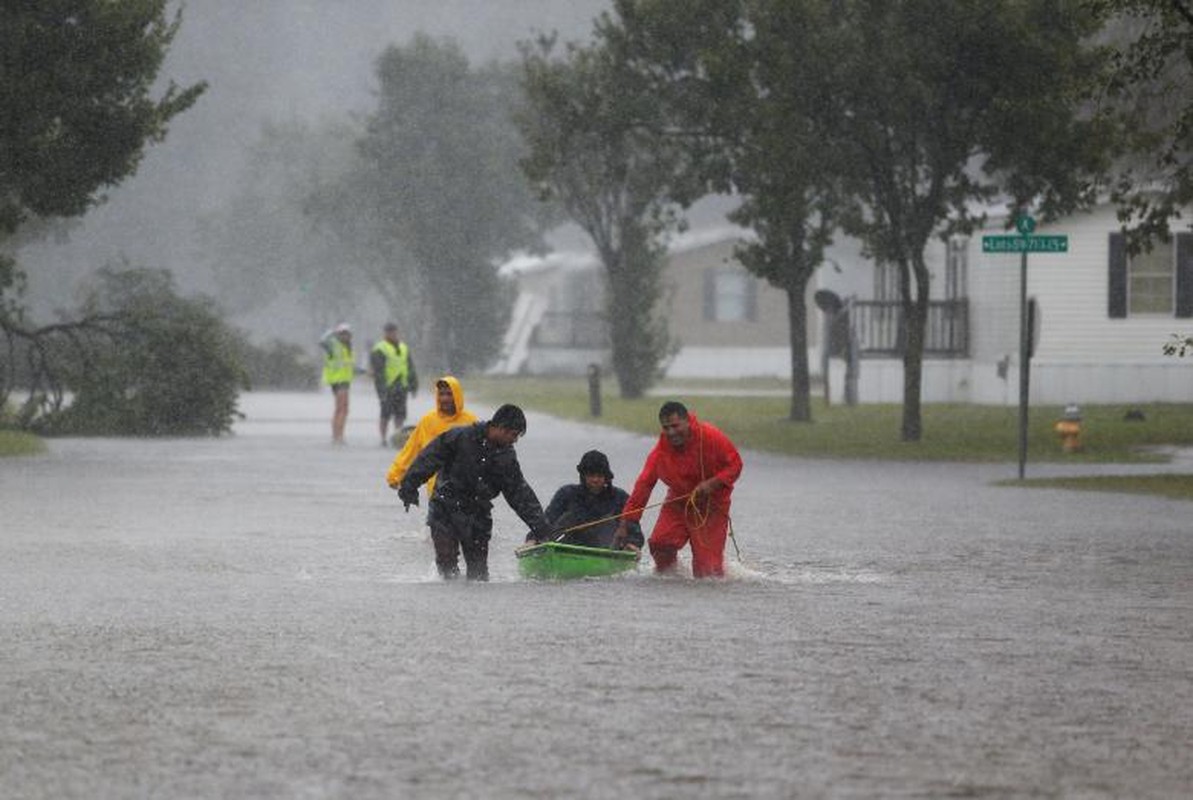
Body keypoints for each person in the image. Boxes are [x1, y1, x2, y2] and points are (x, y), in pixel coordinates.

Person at [397, 404, 551, 580]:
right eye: (513, 435)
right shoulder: (459, 437)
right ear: (500, 428)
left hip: (478, 514)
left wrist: (542, 529)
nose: (514, 440)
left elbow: (520, 494)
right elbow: (428, 459)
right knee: (446, 567)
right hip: (444, 508)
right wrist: (409, 487)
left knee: (479, 576)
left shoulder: (506, 457)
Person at [612, 401, 742, 578]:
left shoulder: (711, 436)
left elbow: (735, 465)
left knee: (707, 574)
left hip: (712, 506)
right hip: (678, 502)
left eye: (675, 426)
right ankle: (673, 579)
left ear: (687, 421)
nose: (671, 433)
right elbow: (643, 486)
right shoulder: (660, 452)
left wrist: (712, 483)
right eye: (666, 428)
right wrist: (626, 522)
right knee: (659, 543)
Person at [386, 376, 476, 500]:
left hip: (464, 488)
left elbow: (482, 454)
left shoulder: (470, 422)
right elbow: (412, 449)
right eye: (441, 394)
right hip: (436, 489)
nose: (444, 399)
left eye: (449, 394)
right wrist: (396, 475)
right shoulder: (428, 421)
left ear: (457, 395)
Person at [541, 450, 643, 550]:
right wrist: (532, 539)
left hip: (606, 550)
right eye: (591, 475)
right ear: (583, 476)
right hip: (568, 546)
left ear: (606, 477)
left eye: (599, 476)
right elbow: (547, 520)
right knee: (568, 517)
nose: (595, 480)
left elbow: (634, 528)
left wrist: (634, 543)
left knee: (613, 522)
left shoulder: (620, 497)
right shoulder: (566, 494)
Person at [370, 322, 418, 447]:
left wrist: (414, 385)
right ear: (385, 333)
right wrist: (381, 390)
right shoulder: (380, 348)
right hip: (388, 386)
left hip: (402, 386)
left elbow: (410, 367)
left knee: (400, 414)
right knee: (385, 414)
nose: (392, 334)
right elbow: (378, 372)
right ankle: (383, 438)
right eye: (389, 332)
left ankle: (398, 436)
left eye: (394, 331)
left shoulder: (403, 347)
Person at [319, 322, 357, 445]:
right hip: (337, 381)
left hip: (345, 380)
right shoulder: (334, 346)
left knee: (345, 409)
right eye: (342, 333)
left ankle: (340, 434)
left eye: (347, 333)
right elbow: (322, 341)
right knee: (340, 409)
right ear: (338, 335)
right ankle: (337, 436)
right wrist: (332, 332)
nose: (345, 336)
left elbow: (350, 366)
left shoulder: (348, 348)